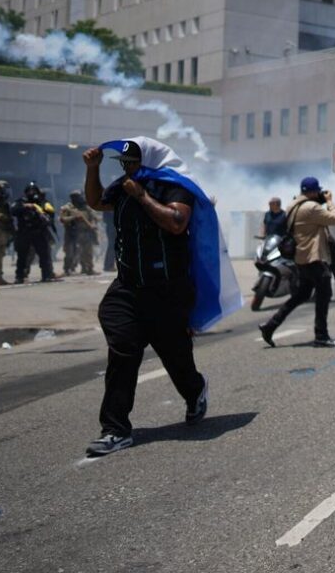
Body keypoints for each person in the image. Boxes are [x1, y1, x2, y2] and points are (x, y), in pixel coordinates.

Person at [82, 140, 209, 456]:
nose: (127, 168)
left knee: (176, 357)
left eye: (133, 162)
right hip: (127, 288)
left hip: (167, 290)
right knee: (124, 350)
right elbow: (96, 202)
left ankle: (195, 391)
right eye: (123, 163)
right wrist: (93, 169)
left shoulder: (175, 187)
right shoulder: (122, 186)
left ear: (150, 160)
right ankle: (115, 429)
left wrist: (142, 196)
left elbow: (177, 223)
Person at [259, 177, 335, 348]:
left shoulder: (292, 206)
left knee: (301, 295)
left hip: (300, 258)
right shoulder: (312, 207)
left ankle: (270, 325)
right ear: (312, 191)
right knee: (324, 294)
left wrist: (319, 201)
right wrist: (330, 202)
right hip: (313, 258)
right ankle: (321, 335)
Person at [12, 182, 57, 283]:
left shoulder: (42, 203)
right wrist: (26, 206)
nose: (32, 193)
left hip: (39, 232)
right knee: (22, 256)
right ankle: (20, 276)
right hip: (24, 232)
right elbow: (13, 210)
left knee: (44, 255)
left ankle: (47, 275)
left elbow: (50, 215)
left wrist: (43, 214)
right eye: (30, 191)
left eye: (34, 191)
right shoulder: (21, 202)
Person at [59, 190, 100, 276]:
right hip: (72, 234)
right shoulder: (68, 208)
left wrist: (93, 225)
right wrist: (73, 217)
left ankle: (88, 268)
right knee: (71, 252)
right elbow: (62, 219)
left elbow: (94, 217)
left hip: (86, 232)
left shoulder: (86, 207)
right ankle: (68, 269)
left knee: (88, 252)